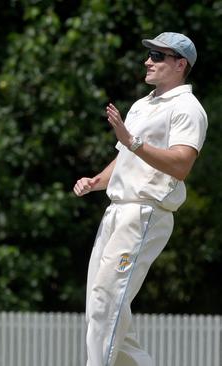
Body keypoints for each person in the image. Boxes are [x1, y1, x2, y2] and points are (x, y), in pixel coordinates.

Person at [73, 32, 207, 366]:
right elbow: (126, 158)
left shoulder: (188, 108)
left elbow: (181, 164)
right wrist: (97, 181)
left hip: (146, 212)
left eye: (158, 56)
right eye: (149, 55)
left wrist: (131, 141)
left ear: (180, 64)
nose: (148, 61)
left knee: (107, 300)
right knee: (100, 303)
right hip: (117, 209)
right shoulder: (142, 104)